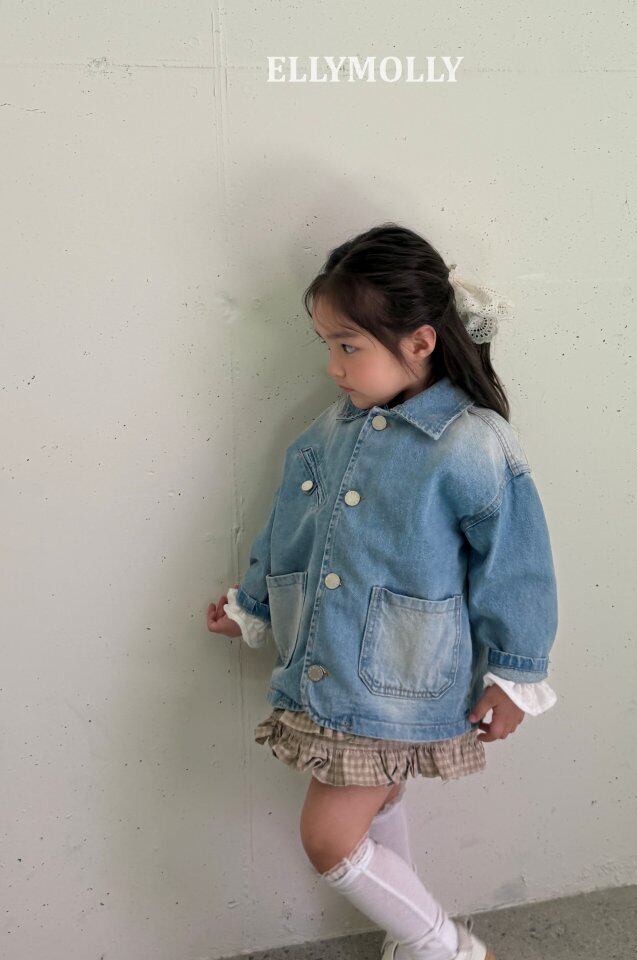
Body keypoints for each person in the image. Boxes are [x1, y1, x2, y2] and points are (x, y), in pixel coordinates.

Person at [206, 223, 559, 960]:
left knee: (328, 839)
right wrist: (252, 606)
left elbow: (517, 565)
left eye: (349, 346)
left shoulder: (471, 442)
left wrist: (515, 674)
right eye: (327, 346)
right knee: (377, 805)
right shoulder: (327, 432)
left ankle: (447, 950)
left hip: (405, 673)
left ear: (421, 342)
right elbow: (288, 527)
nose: (333, 367)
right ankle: (413, 943)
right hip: (328, 663)